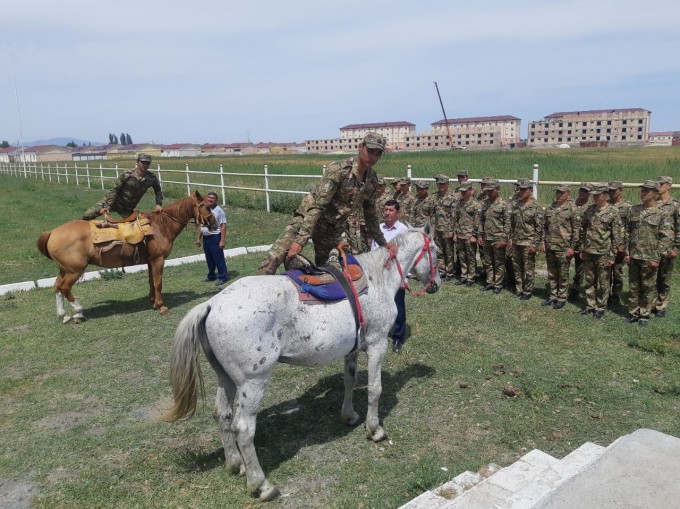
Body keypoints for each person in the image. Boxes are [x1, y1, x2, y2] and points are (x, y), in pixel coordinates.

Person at [256, 133, 396, 275]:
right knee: (274, 257)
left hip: (331, 229)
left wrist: (384, 244)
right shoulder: (338, 170)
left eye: (378, 154)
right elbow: (318, 207)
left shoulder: (372, 181)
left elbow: (371, 218)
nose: (373, 157)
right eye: (370, 151)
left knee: (328, 271)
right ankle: (256, 289)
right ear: (360, 147)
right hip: (307, 220)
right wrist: (300, 241)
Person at [625, 181, 673, 325]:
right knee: (633, 286)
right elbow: (627, 232)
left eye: (647, 191)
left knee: (648, 287)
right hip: (634, 255)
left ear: (655, 194)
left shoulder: (662, 214)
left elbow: (666, 237)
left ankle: (644, 315)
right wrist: (627, 253)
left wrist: (657, 256)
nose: (643, 193)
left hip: (650, 257)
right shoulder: (633, 210)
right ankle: (633, 313)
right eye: (642, 190)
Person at [577, 183, 623, 318]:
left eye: (598, 195)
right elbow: (583, 229)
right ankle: (590, 305)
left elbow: (616, 236)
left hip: (604, 252)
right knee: (590, 280)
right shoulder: (589, 210)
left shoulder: (613, 212)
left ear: (605, 196)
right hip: (589, 251)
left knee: (603, 282)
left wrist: (612, 256)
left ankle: (601, 307)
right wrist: (582, 247)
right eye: (594, 195)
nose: (595, 198)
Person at [372, 200, 409, 352]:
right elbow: (373, 250)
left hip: (395, 274)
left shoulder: (402, 230)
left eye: (391, 210)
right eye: (386, 210)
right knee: (377, 303)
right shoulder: (379, 229)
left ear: (397, 213)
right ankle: (378, 330)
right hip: (378, 273)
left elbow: (406, 256)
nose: (387, 213)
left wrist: (404, 278)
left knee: (398, 305)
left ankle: (398, 337)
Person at [82, 153, 163, 220]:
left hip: (127, 208)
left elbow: (158, 190)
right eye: (143, 162)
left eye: (147, 163)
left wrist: (158, 204)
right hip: (113, 202)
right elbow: (115, 190)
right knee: (88, 215)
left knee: (135, 228)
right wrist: (107, 206)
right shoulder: (127, 175)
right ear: (138, 162)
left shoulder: (152, 178)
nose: (145, 165)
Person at [542, 185, 578, 309]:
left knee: (563, 274)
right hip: (550, 245)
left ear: (568, 194)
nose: (559, 195)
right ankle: (553, 296)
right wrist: (543, 242)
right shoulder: (550, 208)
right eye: (558, 192)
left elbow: (576, 230)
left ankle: (562, 297)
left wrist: (572, 247)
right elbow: (544, 227)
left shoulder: (572, 209)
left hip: (564, 247)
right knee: (552, 273)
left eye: (562, 193)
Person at [509, 178, 543, 300]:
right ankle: (519, 288)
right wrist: (511, 240)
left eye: (524, 190)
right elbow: (511, 224)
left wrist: (535, 244)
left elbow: (539, 228)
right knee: (517, 267)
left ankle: (528, 290)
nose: (521, 191)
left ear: (530, 190)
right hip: (516, 241)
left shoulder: (536, 207)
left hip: (529, 242)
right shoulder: (515, 205)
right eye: (520, 189)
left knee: (528, 268)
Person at [653, 176, 680, 318]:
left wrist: (677, 248)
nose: (658, 186)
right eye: (657, 184)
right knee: (652, 276)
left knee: (664, 278)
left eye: (661, 184)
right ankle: (651, 303)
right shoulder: (654, 203)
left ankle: (661, 306)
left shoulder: (675, 205)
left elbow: (679, 227)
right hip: (653, 246)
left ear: (669, 185)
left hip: (668, 247)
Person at [478, 179, 510, 294]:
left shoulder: (503, 204)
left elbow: (507, 223)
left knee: (499, 262)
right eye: (488, 191)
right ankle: (490, 282)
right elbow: (481, 219)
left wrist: (504, 238)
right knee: (488, 262)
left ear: (498, 189)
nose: (489, 193)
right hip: (487, 237)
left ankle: (498, 284)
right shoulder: (485, 203)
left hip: (498, 238)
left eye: (492, 190)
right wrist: (480, 235)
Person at [195, 192, 228, 286]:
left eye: (213, 198)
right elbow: (201, 225)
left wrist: (222, 240)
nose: (210, 199)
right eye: (209, 197)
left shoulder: (219, 211)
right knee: (209, 259)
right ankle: (211, 276)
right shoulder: (204, 209)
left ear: (216, 200)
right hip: (206, 238)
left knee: (218, 259)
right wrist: (198, 239)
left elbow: (223, 226)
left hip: (215, 237)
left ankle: (223, 277)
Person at [428, 174, 456, 281]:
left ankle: (450, 273)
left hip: (447, 229)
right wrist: (433, 230)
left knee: (449, 252)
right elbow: (432, 215)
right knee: (439, 251)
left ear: (448, 184)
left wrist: (452, 231)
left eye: (443, 184)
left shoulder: (453, 198)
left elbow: (454, 216)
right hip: (437, 229)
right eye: (439, 184)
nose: (441, 186)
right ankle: (442, 271)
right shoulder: (434, 197)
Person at [608, 181, 632, 304]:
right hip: (606, 244)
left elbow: (629, 228)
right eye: (610, 190)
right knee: (605, 272)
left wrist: (623, 246)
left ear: (621, 190)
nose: (612, 192)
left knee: (617, 272)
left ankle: (615, 296)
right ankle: (605, 295)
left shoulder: (627, 207)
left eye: (614, 190)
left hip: (620, 246)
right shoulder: (605, 206)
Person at [453, 183, 481, 286]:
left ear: (470, 190)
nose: (463, 193)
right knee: (462, 256)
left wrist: (474, 235)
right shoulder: (458, 204)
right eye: (462, 191)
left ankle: (471, 277)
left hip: (470, 235)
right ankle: (464, 276)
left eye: (465, 191)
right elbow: (455, 219)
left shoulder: (476, 205)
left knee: (471, 257)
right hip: (460, 235)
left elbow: (477, 222)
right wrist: (455, 233)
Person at [568, 183, 592, 301]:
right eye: (581, 190)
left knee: (580, 267)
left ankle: (576, 289)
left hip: (582, 242)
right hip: (567, 240)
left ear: (589, 193)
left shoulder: (590, 208)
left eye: (586, 191)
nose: (583, 193)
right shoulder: (570, 204)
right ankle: (560, 288)